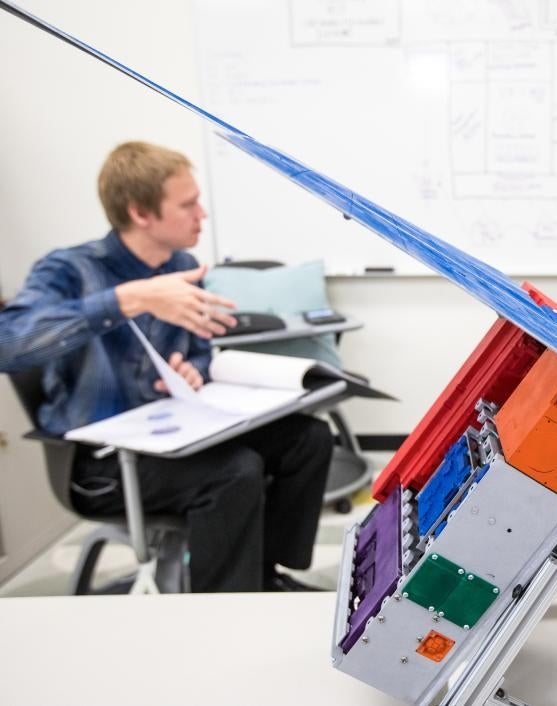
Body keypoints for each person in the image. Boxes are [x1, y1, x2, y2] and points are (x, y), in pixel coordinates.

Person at [0, 141, 332, 592]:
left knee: (307, 439)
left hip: (172, 431)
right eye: (188, 203)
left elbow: (196, 347)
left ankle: (264, 575)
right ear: (141, 213)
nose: (202, 214)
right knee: (236, 470)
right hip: (103, 463)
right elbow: (9, 344)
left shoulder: (181, 265)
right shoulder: (69, 269)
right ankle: (222, 605)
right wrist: (129, 299)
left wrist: (191, 366)